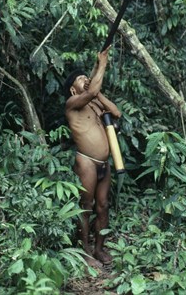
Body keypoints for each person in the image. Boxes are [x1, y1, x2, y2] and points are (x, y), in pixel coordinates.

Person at [64, 47, 121, 266]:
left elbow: (116, 113)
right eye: (80, 79)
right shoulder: (72, 105)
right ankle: (85, 252)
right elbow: (89, 92)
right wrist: (102, 63)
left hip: (103, 164)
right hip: (86, 162)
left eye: (86, 77)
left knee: (103, 205)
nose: (85, 79)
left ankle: (99, 249)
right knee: (86, 206)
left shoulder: (95, 102)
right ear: (72, 89)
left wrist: (97, 93)